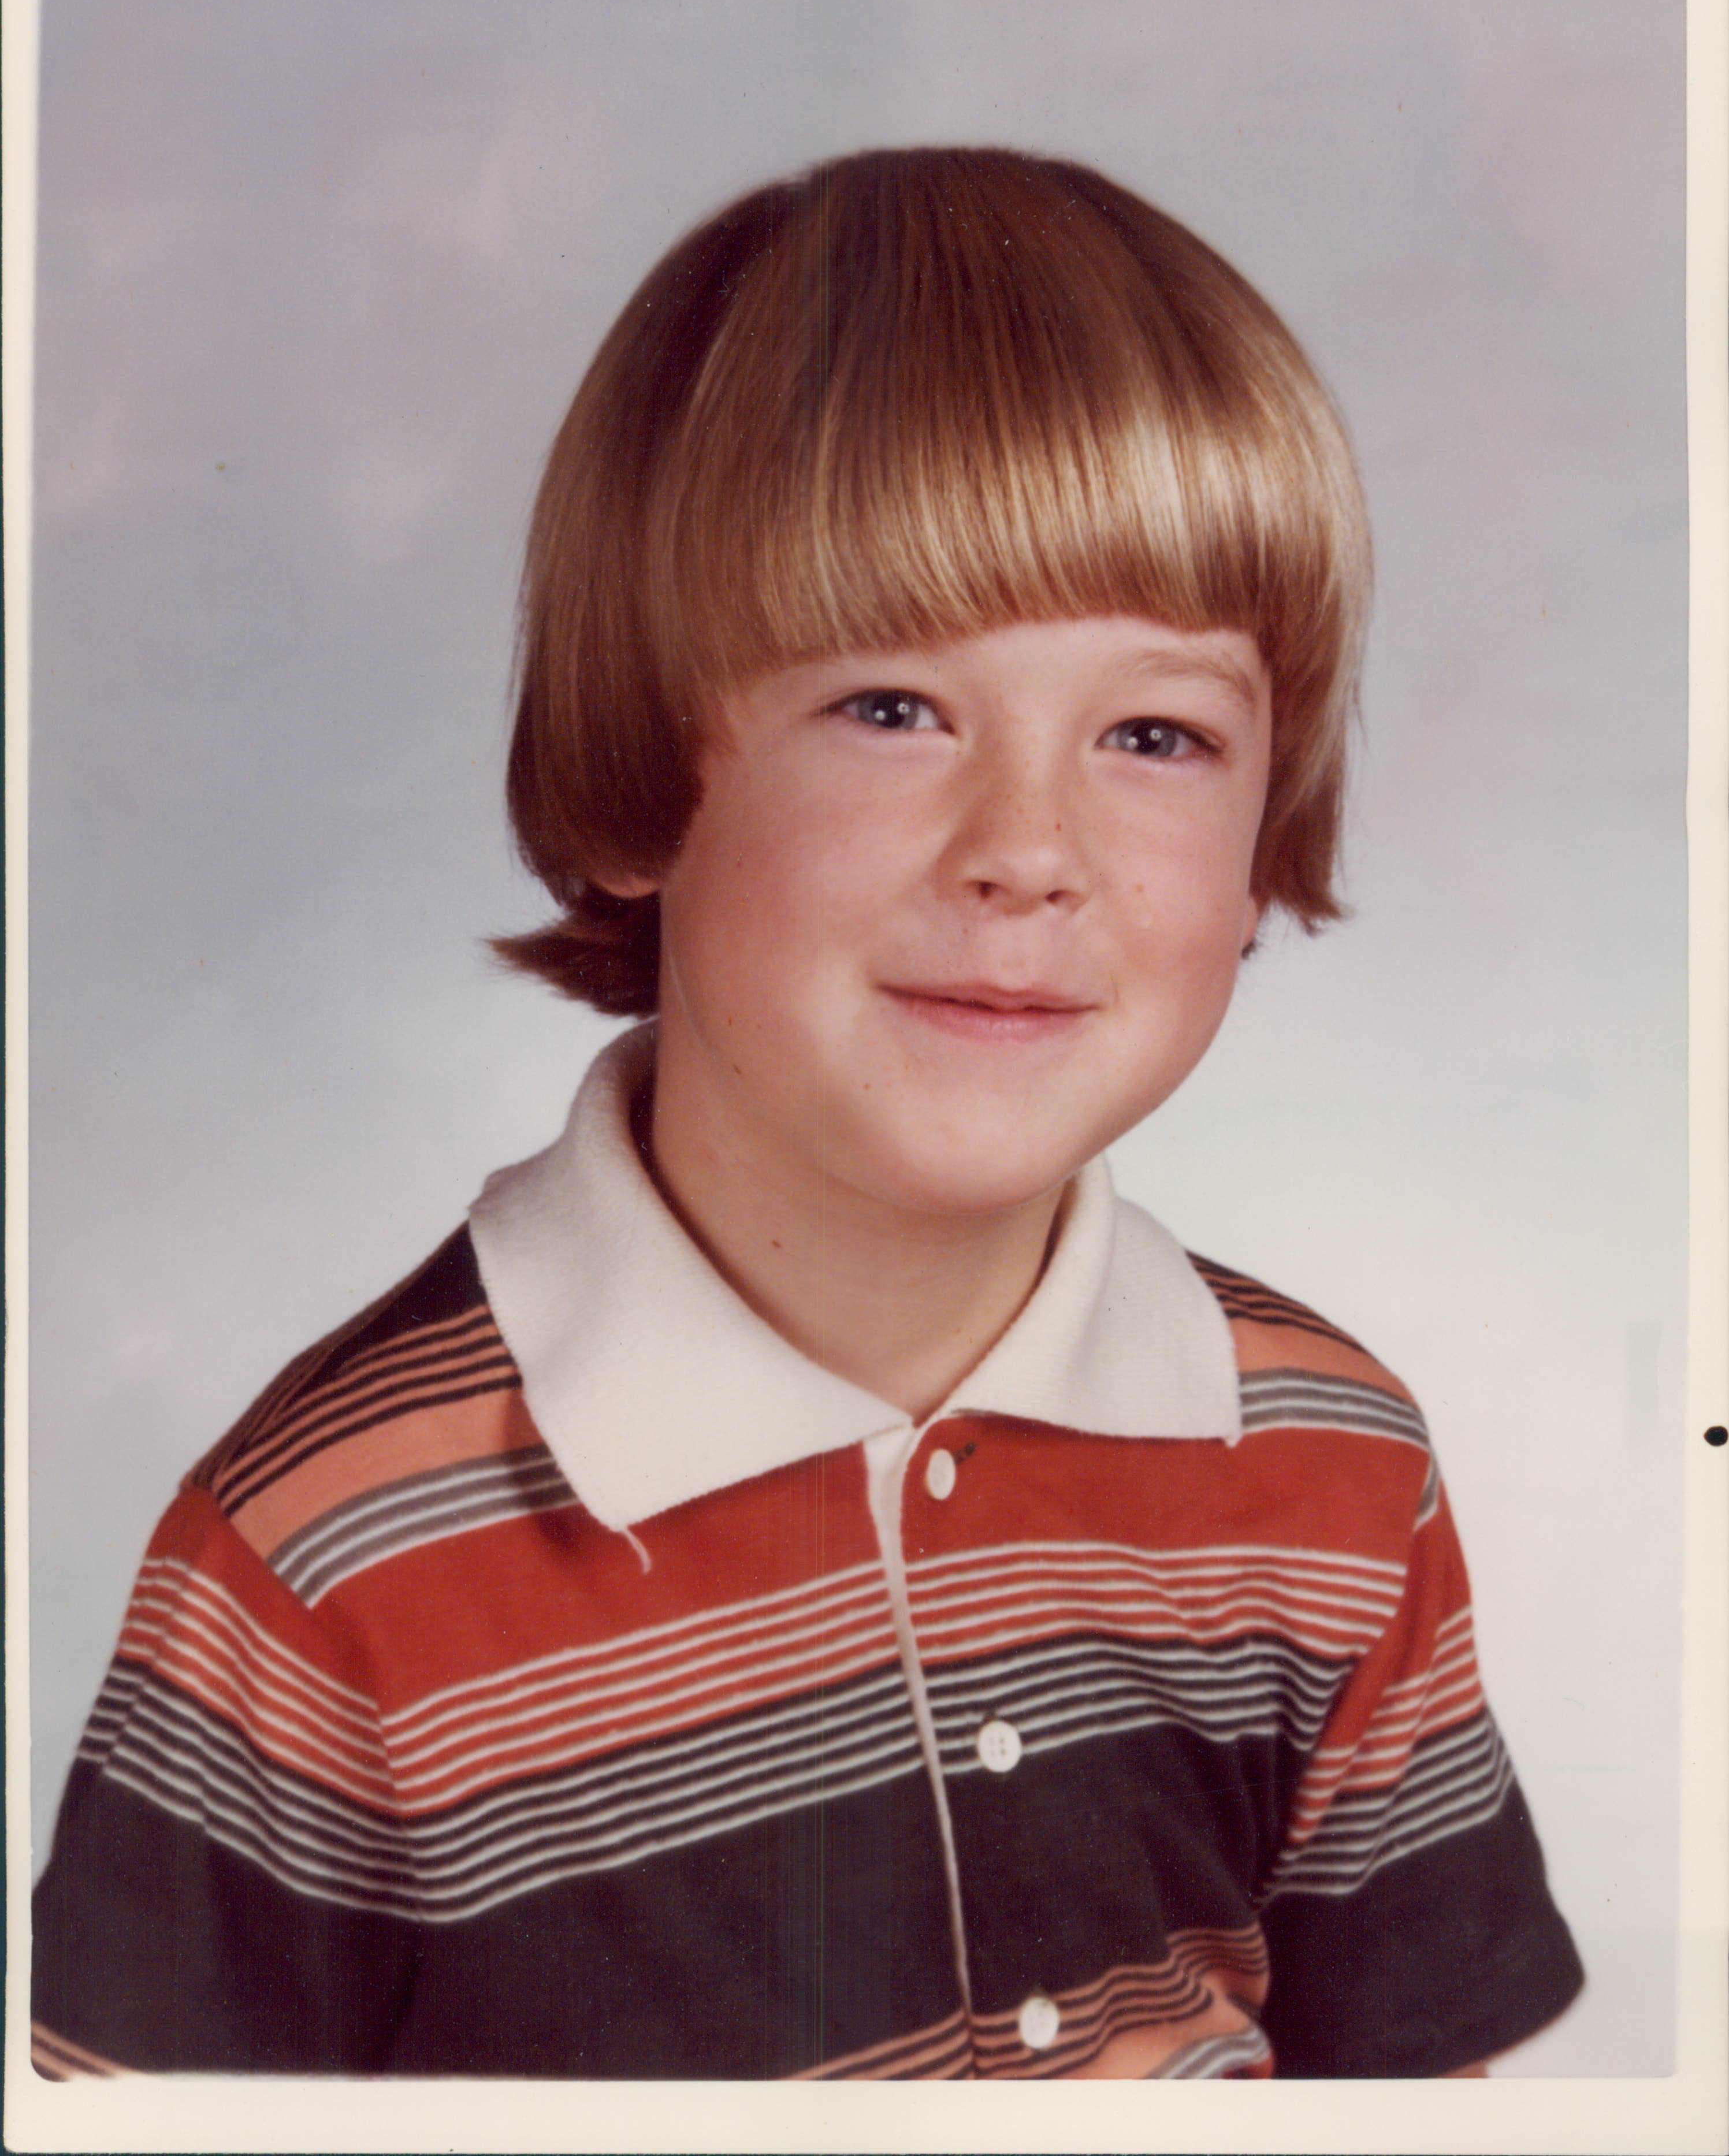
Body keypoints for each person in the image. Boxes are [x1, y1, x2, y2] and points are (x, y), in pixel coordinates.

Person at [32, 146, 1584, 2080]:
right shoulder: (327, 1557)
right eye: (890, 708)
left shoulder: (1329, 1468)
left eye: (1153, 734)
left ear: (1265, 834)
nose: (1028, 849)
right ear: (634, 783)